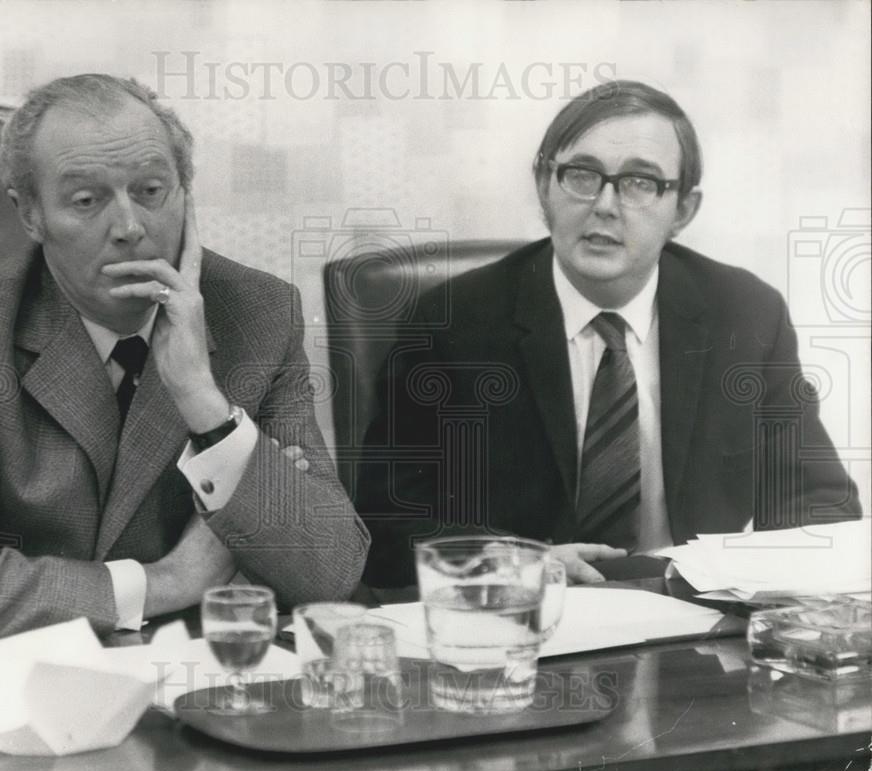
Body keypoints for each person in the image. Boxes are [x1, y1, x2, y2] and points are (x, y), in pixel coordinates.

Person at [0, 74, 369, 647]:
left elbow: (329, 574)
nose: (130, 228)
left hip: (188, 679)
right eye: (87, 201)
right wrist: (169, 580)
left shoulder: (257, 312)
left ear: (185, 191)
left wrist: (204, 403)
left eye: (152, 191)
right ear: (30, 214)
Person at [357, 80, 862, 588]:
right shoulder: (453, 322)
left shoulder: (747, 315)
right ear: (543, 185)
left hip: (692, 626)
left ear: (682, 210)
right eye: (582, 174)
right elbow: (383, 522)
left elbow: (817, 504)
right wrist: (519, 564)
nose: (605, 204)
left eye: (641, 183)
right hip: (524, 619)